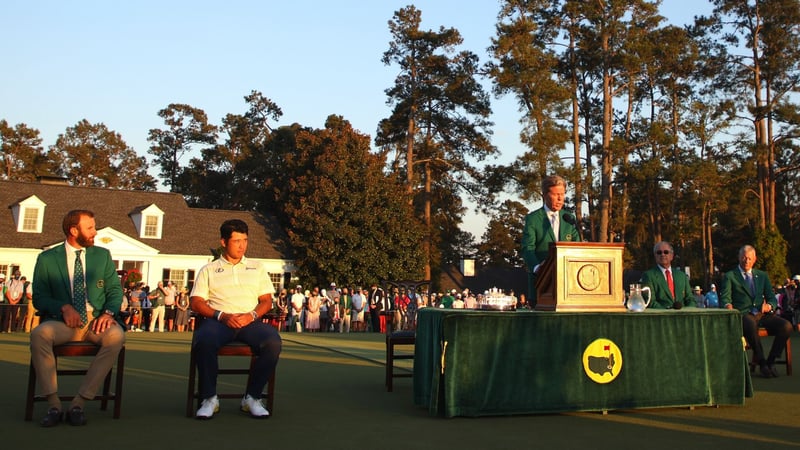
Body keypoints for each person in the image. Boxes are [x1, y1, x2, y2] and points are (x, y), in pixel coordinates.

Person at [29, 209, 125, 427]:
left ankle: (78, 403)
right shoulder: (47, 259)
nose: (95, 232)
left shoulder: (102, 255)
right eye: (90, 228)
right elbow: (40, 297)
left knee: (116, 337)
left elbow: (115, 292)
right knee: (39, 334)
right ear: (74, 230)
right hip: (64, 322)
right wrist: (63, 307)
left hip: (96, 320)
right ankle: (53, 404)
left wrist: (109, 313)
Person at [189, 219, 282, 419]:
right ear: (224, 242)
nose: (242, 245)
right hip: (219, 321)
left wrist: (252, 315)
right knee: (204, 340)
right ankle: (210, 398)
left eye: (245, 240)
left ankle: (252, 397)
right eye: (236, 241)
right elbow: (196, 302)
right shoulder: (209, 269)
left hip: (250, 321)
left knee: (273, 341)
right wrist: (221, 315)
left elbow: (266, 301)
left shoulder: (257, 267)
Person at [720, 245, 792, 378]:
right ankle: (762, 363)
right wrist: (728, 306)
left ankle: (771, 362)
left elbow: (771, 298)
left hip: (762, 314)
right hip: (743, 315)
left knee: (786, 326)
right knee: (750, 323)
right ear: (739, 258)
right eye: (743, 257)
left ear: (754, 259)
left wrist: (769, 306)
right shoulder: (730, 276)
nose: (746, 261)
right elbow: (725, 297)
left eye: (749, 258)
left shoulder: (762, 275)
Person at [521, 175, 582, 306]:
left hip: (568, 287)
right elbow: (527, 248)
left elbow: (577, 246)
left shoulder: (568, 218)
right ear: (545, 195)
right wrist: (537, 268)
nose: (560, 198)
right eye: (556, 195)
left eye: (562, 194)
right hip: (541, 286)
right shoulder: (533, 219)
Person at [638, 241, 696, 309]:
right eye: (659, 252)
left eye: (666, 252)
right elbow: (650, 301)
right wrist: (668, 313)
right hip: (661, 317)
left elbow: (690, 299)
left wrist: (687, 312)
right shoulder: (648, 276)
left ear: (672, 255)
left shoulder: (682, 276)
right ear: (655, 256)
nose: (662, 254)